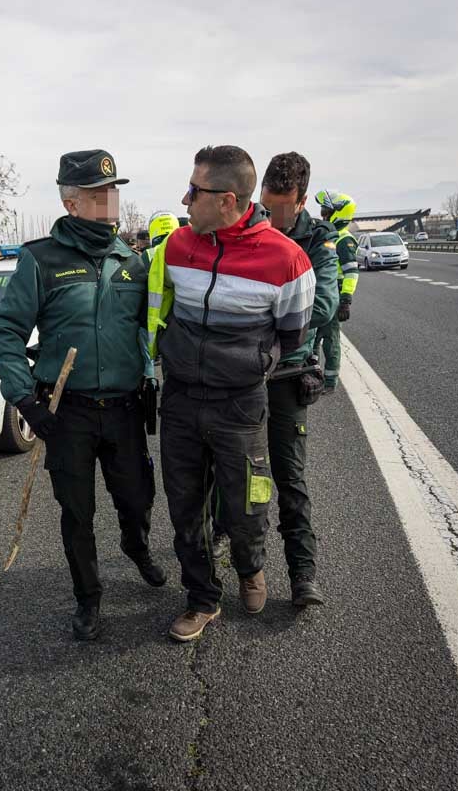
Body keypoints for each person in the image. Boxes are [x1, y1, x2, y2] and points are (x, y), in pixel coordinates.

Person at [0, 149, 165, 642]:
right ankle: (88, 597)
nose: (109, 200)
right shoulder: (41, 259)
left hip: (127, 408)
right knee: (77, 510)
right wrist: (24, 400)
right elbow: (6, 332)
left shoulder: (132, 260)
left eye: (113, 191)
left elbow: (151, 327)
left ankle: (138, 546)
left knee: (137, 498)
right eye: (97, 194)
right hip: (67, 412)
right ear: (71, 203)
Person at [149, 145, 315, 642]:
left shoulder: (287, 259)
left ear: (226, 200)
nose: (184, 199)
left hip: (240, 405)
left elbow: (293, 337)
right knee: (184, 507)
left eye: (194, 191)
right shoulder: (177, 246)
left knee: (246, 506)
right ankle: (202, 598)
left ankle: (251, 565)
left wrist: (243, 364)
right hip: (179, 399)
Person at [257, 152, 340, 606]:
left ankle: (302, 575)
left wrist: (258, 309)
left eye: (280, 209)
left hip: (288, 377)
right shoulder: (248, 227)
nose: (269, 218)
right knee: (231, 473)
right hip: (245, 377)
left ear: (302, 200)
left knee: (289, 478)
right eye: (265, 205)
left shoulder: (319, 243)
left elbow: (322, 309)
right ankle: (227, 547)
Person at [312, 189, 360, 392]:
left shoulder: (343, 240)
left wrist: (346, 299)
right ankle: (311, 374)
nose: (323, 214)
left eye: (326, 211)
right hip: (322, 294)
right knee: (312, 337)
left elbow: (351, 272)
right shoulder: (329, 234)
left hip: (334, 297)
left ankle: (330, 383)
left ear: (338, 213)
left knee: (330, 341)